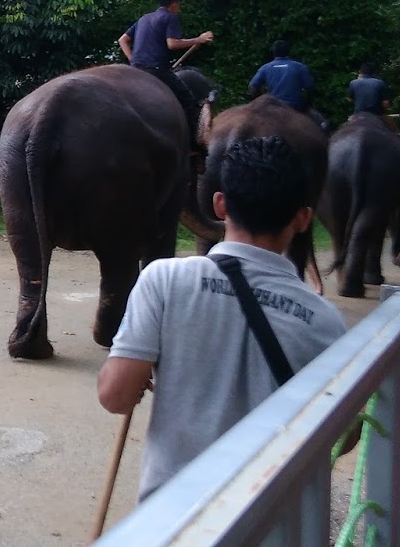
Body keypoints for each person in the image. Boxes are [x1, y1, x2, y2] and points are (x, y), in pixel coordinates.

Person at [96, 135, 347, 500]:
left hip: (174, 519)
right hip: (271, 521)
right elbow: (342, 433)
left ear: (220, 204)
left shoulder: (164, 280)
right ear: (304, 218)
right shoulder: (326, 322)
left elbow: (115, 396)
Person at [118, 0, 213, 142]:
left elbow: (122, 40)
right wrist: (198, 39)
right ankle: (191, 141)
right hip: (157, 70)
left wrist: (132, 60)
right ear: (174, 3)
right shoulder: (170, 17)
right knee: (188, 100)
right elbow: (172, 44)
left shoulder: (144, 18)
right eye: (178, 3)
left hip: (136, 70)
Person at [248, 40, 315, 113]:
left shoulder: (265, 68)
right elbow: (310, 88)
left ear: (273, 52)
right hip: (295, 107)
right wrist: (306, 105)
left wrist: (262, 101)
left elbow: (252, 87)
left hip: (273, 107)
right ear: (288, 51)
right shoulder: (300, 67)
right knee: (320, 121)